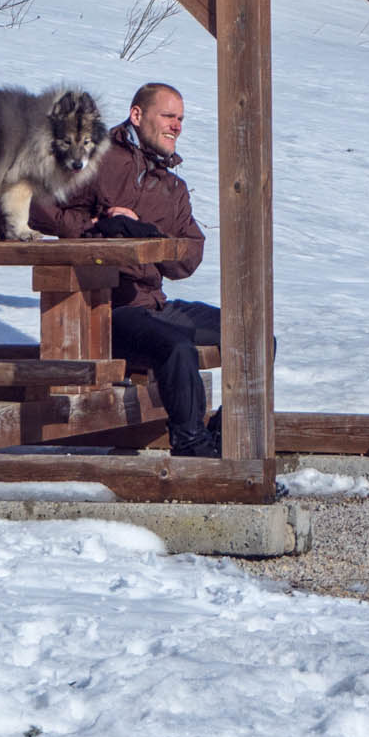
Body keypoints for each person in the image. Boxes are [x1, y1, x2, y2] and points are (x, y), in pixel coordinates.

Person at [31, 82, 222, 457]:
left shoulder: (173, 187)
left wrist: (150, 237)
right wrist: (101, 228)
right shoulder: (98, 159)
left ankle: (223, 432)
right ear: (137, 115)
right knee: (177, 348)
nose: (176, 126)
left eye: (181, 119)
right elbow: (39, 207)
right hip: (105, 310)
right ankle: (190, 445)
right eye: (168, 116)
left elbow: (190, 255)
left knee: (256, 337)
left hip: (153, 303)